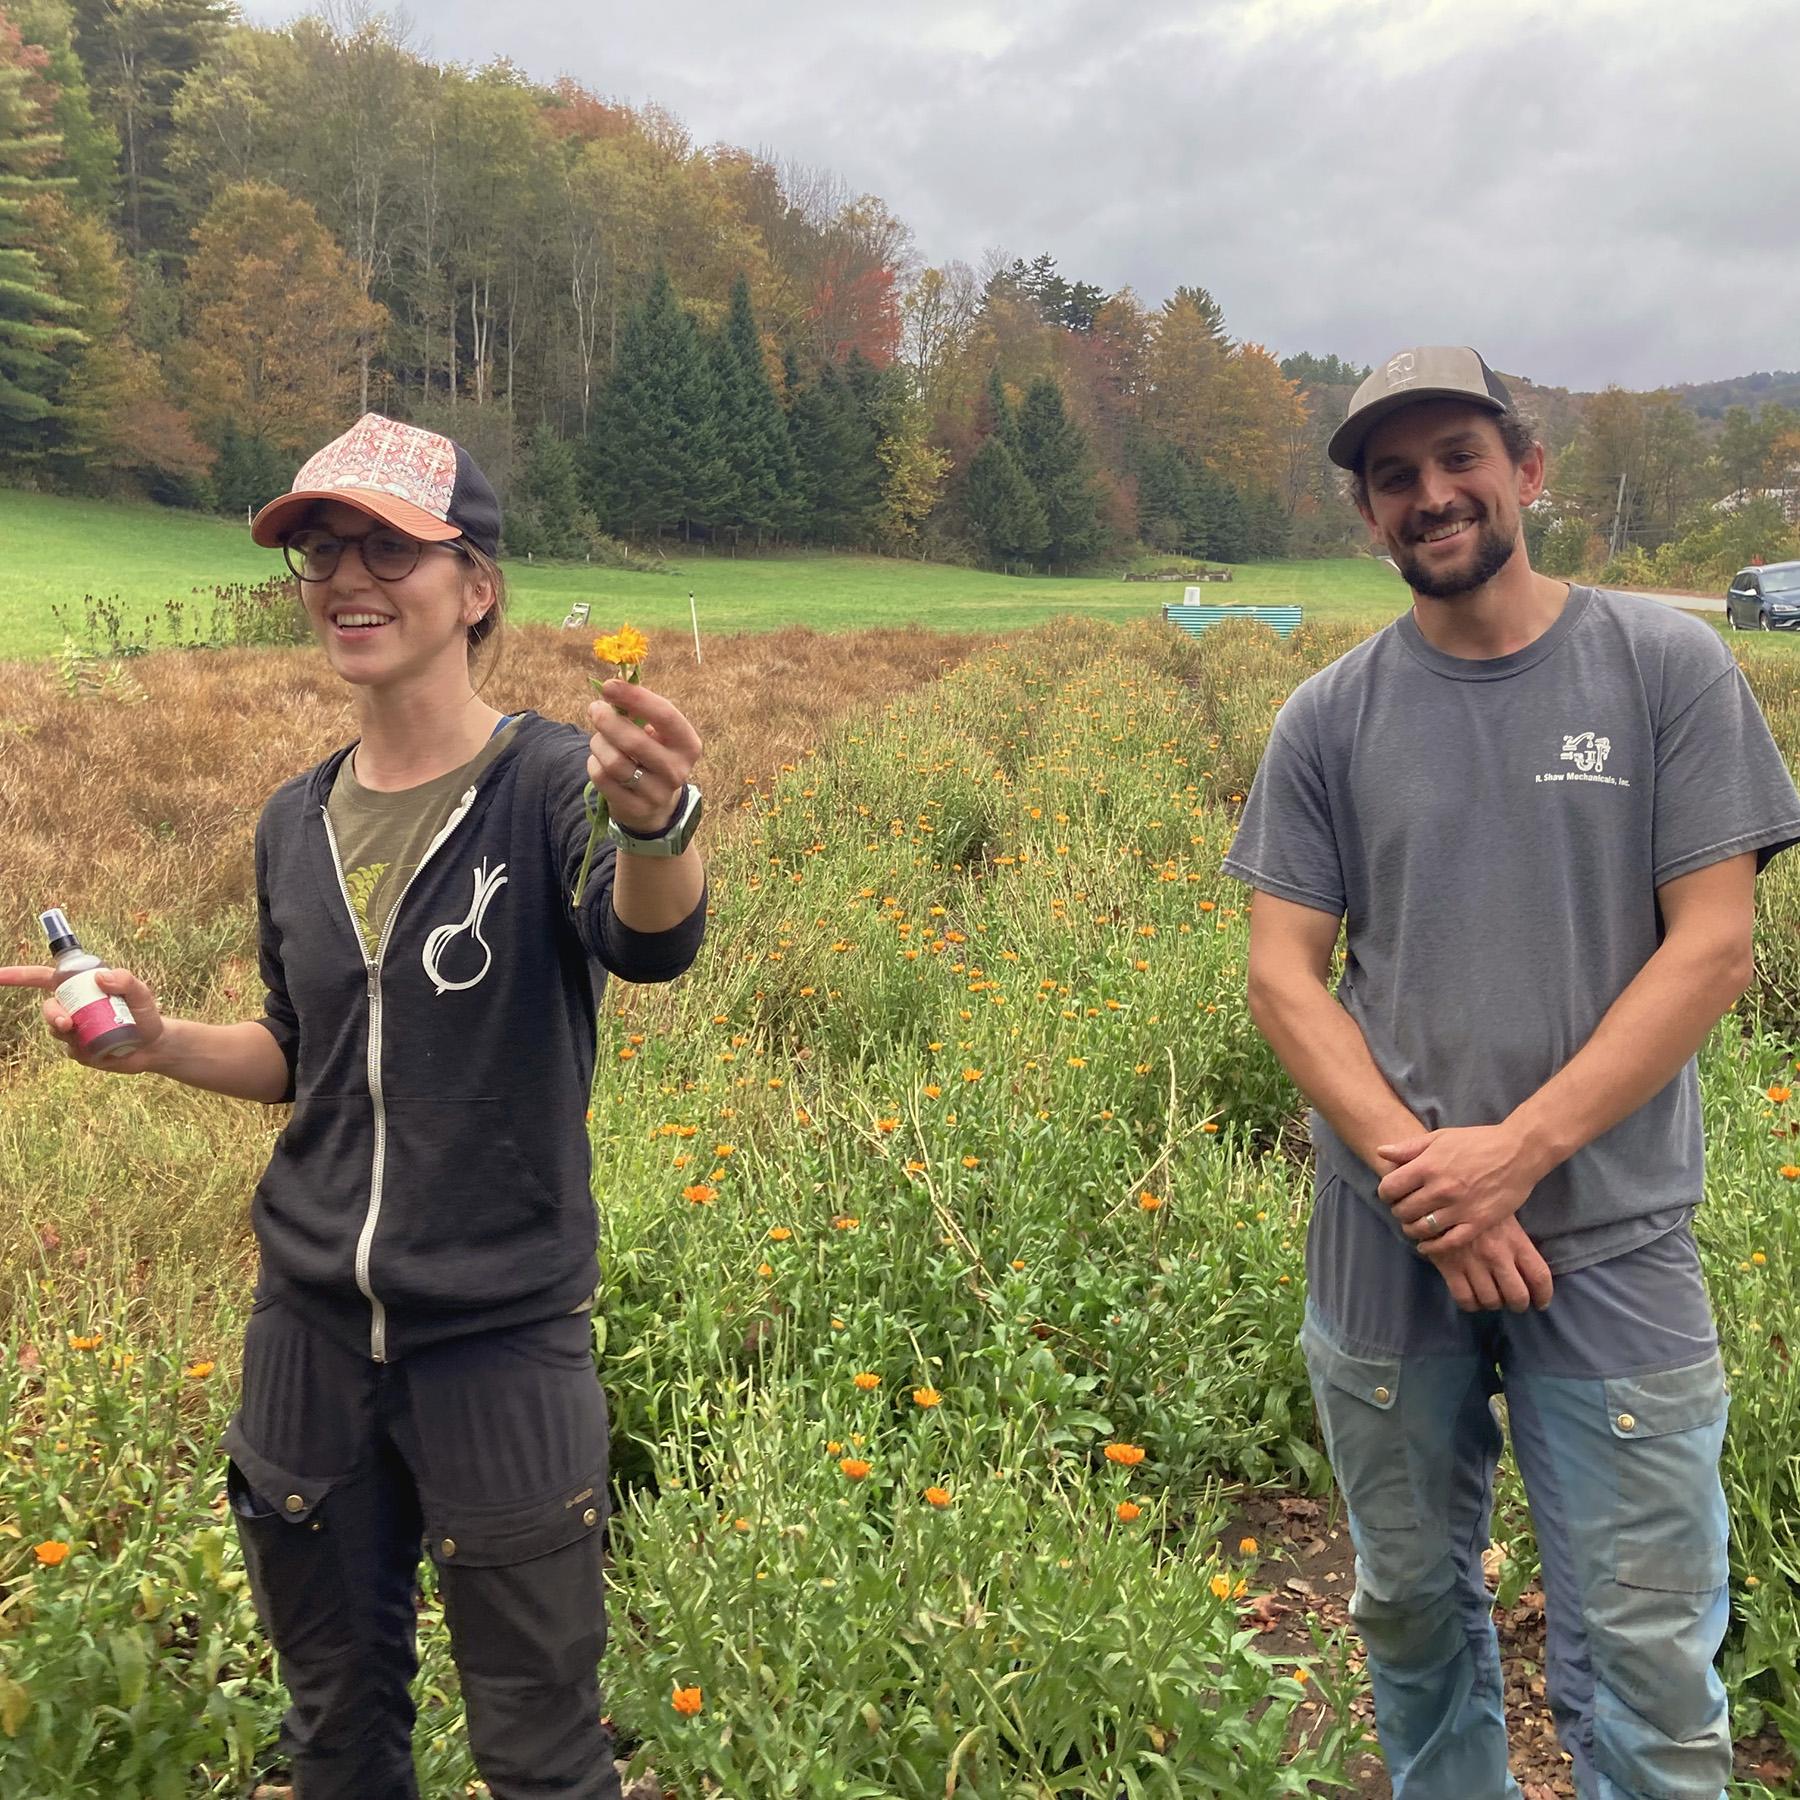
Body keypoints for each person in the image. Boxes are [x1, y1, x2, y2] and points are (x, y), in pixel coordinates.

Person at [2, 413, 708, 1799]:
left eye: (388, 544)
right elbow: (297, 1047)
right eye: (321, 551)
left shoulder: (552, 784)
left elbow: (650, 942)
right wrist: (158, 1043)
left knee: (544, 1755)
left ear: (477, 587)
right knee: (332, 1738)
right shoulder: (292, 819)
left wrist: (656, 829)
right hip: (308, 1338)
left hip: (501, 1340)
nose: (344, 575)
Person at [1221, 348, 1800, 1800]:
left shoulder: (1665, 671)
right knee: (1409, 1607)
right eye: (1394, 476)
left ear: (1526, 469)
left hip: (1610, 1237)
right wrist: (1436, 1186)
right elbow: (1284, 974)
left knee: (1651, 1645)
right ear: (1367, 514)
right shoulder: (1328, 719)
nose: (1433, 495)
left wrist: (1515, 1159)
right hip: (1388, 1244)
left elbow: (1712, 950)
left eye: (1458, 457)